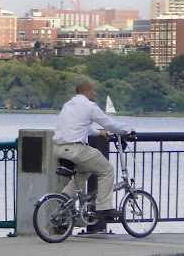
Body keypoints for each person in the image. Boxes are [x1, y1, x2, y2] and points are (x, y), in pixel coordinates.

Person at [53, 79, 135, 218]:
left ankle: (64, 200)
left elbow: (78, 126)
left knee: (84, 172)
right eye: (94, 90)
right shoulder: (89, 106)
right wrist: (126, 130)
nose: (95, 94)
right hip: (75, 149)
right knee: (107, 170)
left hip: (58, 149)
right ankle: (103, 207)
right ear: (87, 91)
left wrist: (98, 133)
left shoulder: (68, 105)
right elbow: (108, 123)